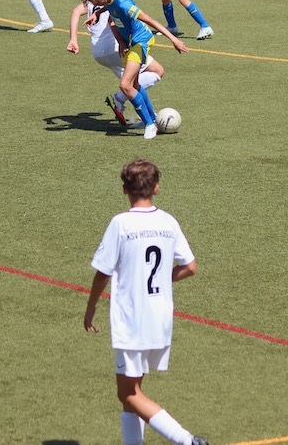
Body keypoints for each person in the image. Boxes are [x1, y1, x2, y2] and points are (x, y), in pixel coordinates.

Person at [84, 159, 209, 445]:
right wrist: (164, 278)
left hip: (132, 318)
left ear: (124, 190)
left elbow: (103, 272)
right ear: (156, 188)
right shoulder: (168, 221)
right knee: (134, 390)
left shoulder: (121, 223)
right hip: (160, 316)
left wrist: (91, 307)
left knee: (127, 393)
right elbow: (190, 267)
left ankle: (187, 441)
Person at [97, 0, 188, 139]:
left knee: (125, 85)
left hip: (141, 41)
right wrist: (97, 15)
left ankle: (149, 124)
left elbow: (150, 20)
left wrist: (173, 39)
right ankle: (152, 119)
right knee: (135, 85)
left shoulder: (124, 2)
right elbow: (110, 15)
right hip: (130, 43)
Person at [66, 0, 165, 128]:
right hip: (113, 47)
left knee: (132, 82)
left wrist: (73, 39)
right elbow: (112, 21)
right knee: (156, 71)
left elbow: (75, 12)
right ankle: (119, 99)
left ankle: (148, 117)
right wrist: (121, 42)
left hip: (98, 52)